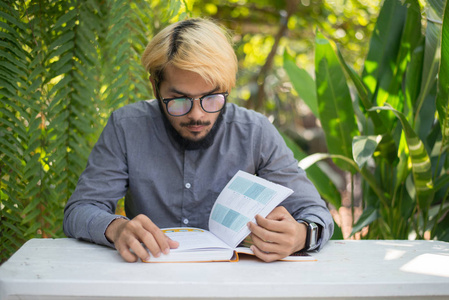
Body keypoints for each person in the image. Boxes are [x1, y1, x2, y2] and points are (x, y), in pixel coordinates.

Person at [63, 18, 334, 263]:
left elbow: (313, 210)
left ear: (227, 87)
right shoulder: (126, 127)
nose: (197, 115)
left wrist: (300, 235)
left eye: (211, 98)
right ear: (155, 87)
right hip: (150, 280)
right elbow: (81, 209)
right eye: (179, 100)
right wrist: (117, 228)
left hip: (236, 283)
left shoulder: (255, 132)